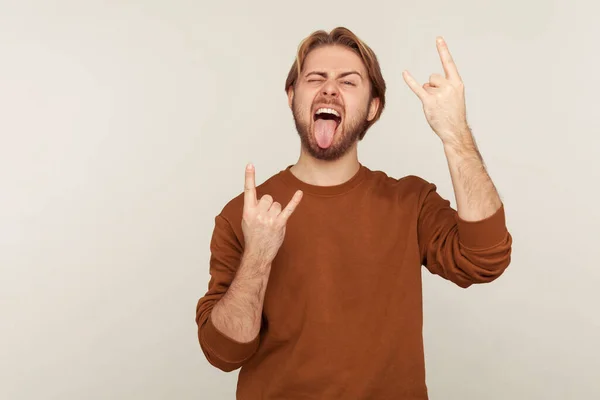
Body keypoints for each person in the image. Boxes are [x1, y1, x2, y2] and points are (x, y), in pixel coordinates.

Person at [195, 27, 512, 399]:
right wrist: (259, 255)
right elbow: (225, 352)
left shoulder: (409, 202)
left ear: (373, 107)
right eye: (316, 79)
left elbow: (485, 259)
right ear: (292, 96)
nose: (330, 89)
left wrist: (454, 132)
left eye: (348, 82)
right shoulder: (246, 213)